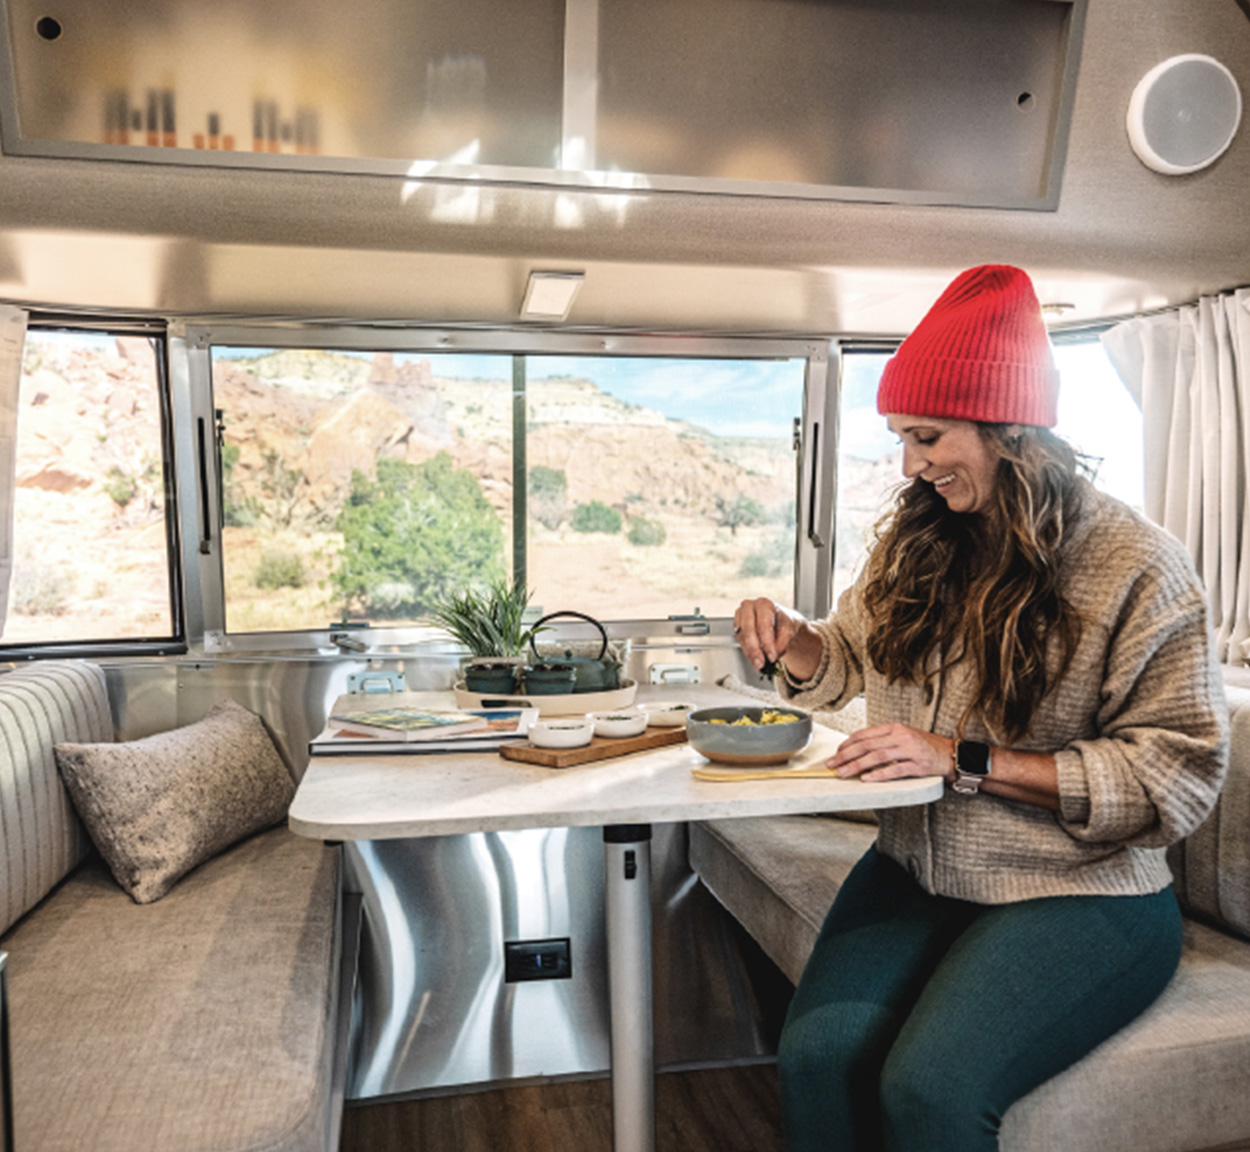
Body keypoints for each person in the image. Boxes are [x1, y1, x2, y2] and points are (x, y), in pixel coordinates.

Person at [733, 264, 1229, 1152]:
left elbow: (1174, 779)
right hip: (916, 868)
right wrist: (792, 638)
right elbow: (846, 656)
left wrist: (959, 758)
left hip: (1079, 888)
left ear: (1009, 427)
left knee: (929, 1090)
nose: (911, 465)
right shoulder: (917, 542)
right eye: (901, 439)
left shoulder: (1138, 565)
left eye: (927, 436)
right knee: (817, 1056)